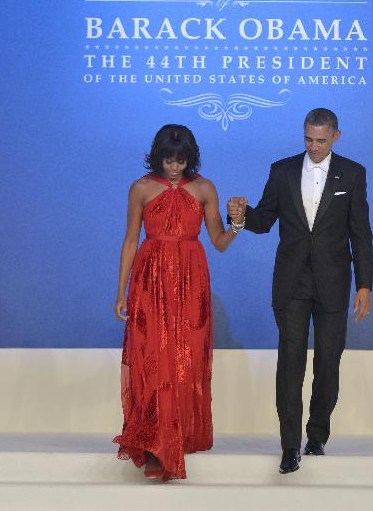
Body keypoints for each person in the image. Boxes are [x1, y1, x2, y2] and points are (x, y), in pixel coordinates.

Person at [227, 108, 373, 474]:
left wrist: (365, 284)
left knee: (327, 362)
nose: (314, 146)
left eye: (321, 140)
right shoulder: (283, 170)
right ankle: (289, 446)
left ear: (336, 137)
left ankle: (317, 433)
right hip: (291, 283)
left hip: (334, 283)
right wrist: (241, 217)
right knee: (290, 363)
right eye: (308, 139)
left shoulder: (353, 174)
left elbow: (361, 233)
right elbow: (264, 221)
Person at [112, 124, 243, 482]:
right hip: (149, 280)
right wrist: (121, 291)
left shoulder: (203, 188)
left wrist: (238, 221)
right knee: (152, 358)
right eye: (168, 160)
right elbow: (129, 241)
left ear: (190, 158)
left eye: (180, 161)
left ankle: (178, 435)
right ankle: (154, 441)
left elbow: (218, 241)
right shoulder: (141, 188)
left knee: (184, 358)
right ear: (158, 157)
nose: (174, 168)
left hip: (191, 281)